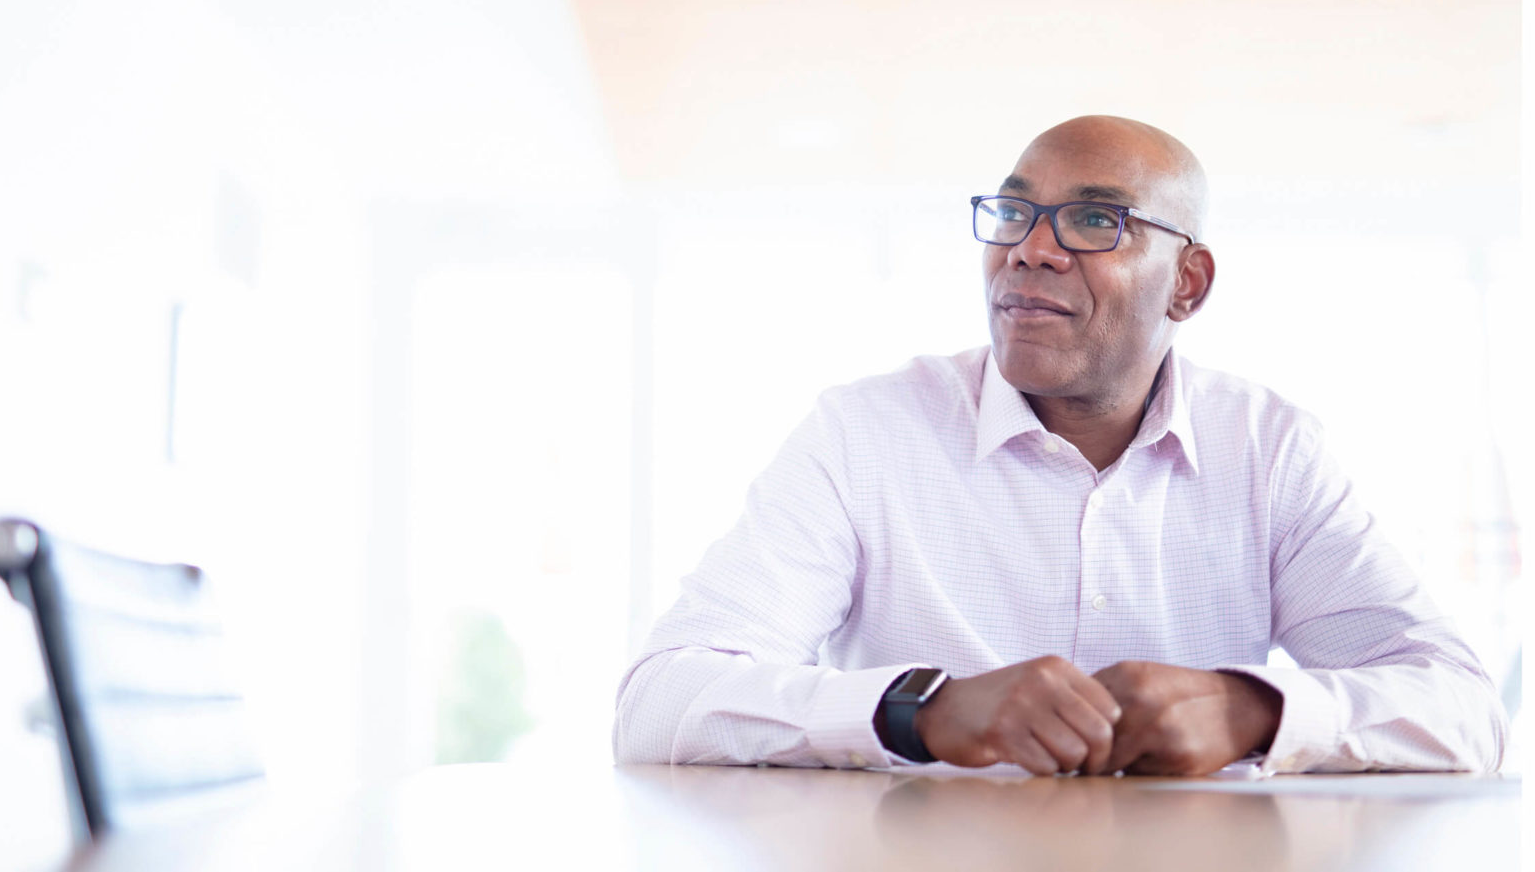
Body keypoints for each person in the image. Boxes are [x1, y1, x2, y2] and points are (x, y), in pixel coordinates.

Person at [612, 116, 1508, 775]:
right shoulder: (863, 434)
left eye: (1093, 222)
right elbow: (660, 702)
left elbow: (1466, 711)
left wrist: (1258, 708)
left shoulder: (1271, 451)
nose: (1029, 251)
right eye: (1012, 213)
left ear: (1187, 284)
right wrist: (917, 708)